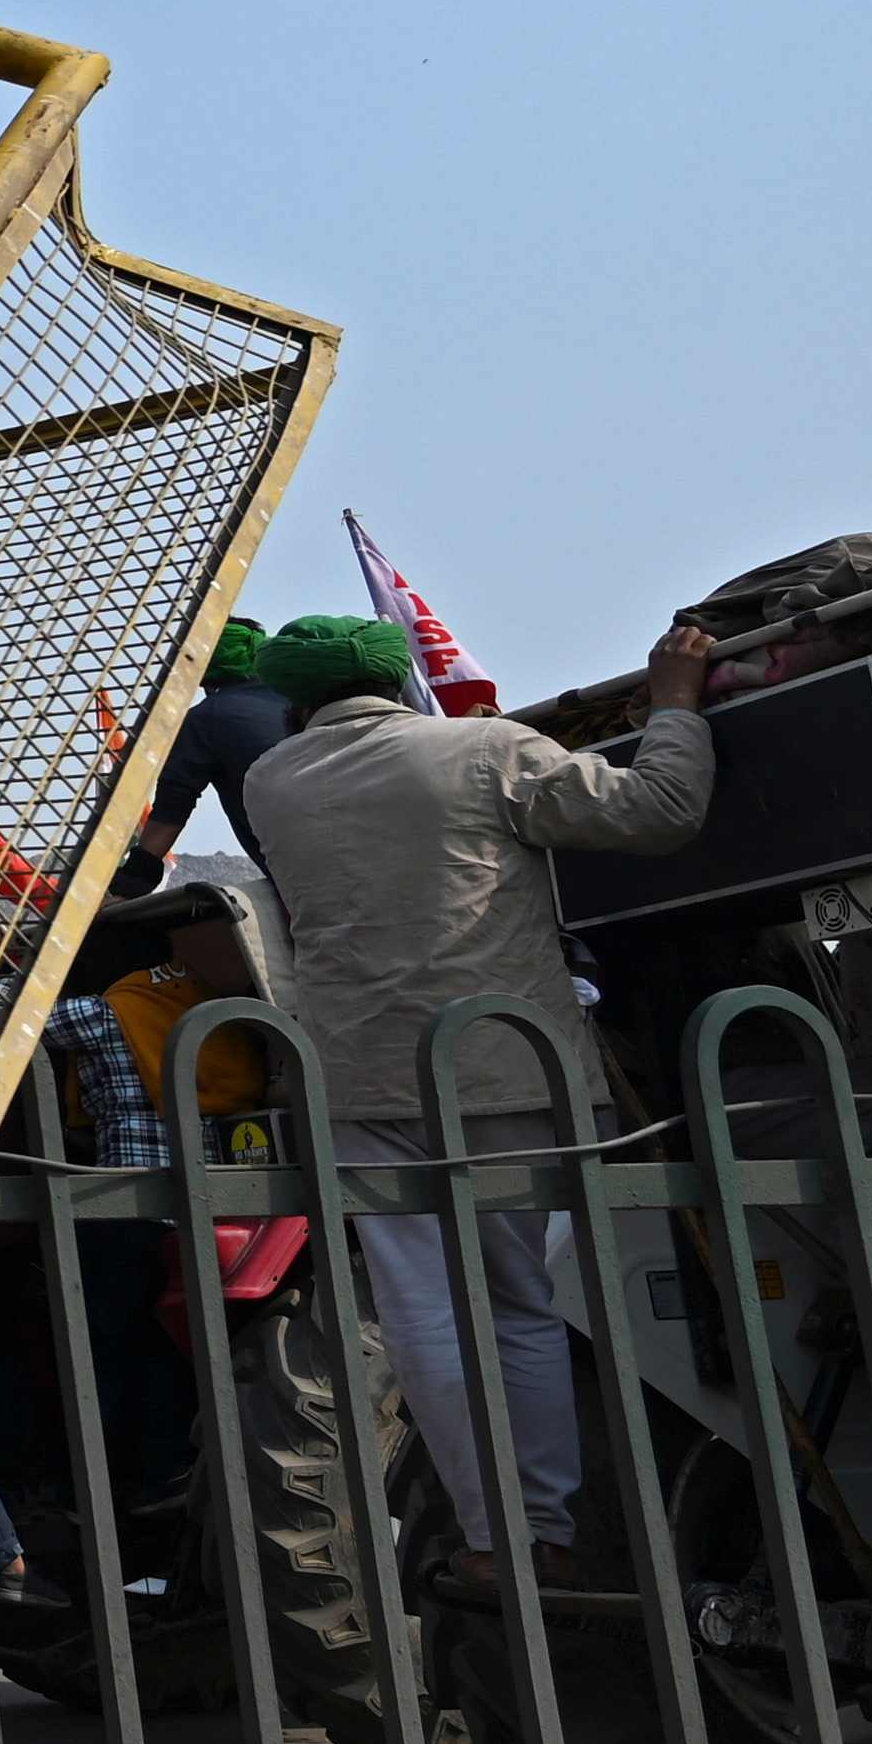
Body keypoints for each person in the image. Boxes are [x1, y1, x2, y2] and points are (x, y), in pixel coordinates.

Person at [239, 607, 720, 1579]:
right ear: (399, 677)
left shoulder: (269, 779)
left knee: (420, 1311)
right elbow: (659, 809)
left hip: (361, 1079)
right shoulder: (486, 748)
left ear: (293, 698)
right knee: (517, 1304)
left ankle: (494, 1535)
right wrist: (674, 706)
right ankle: (543, 1526)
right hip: (503, 1070)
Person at [111, 621, 297, 895]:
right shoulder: (301, 701)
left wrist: (134, 878)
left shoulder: (206, 717)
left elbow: (171, 811)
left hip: (307, 873)